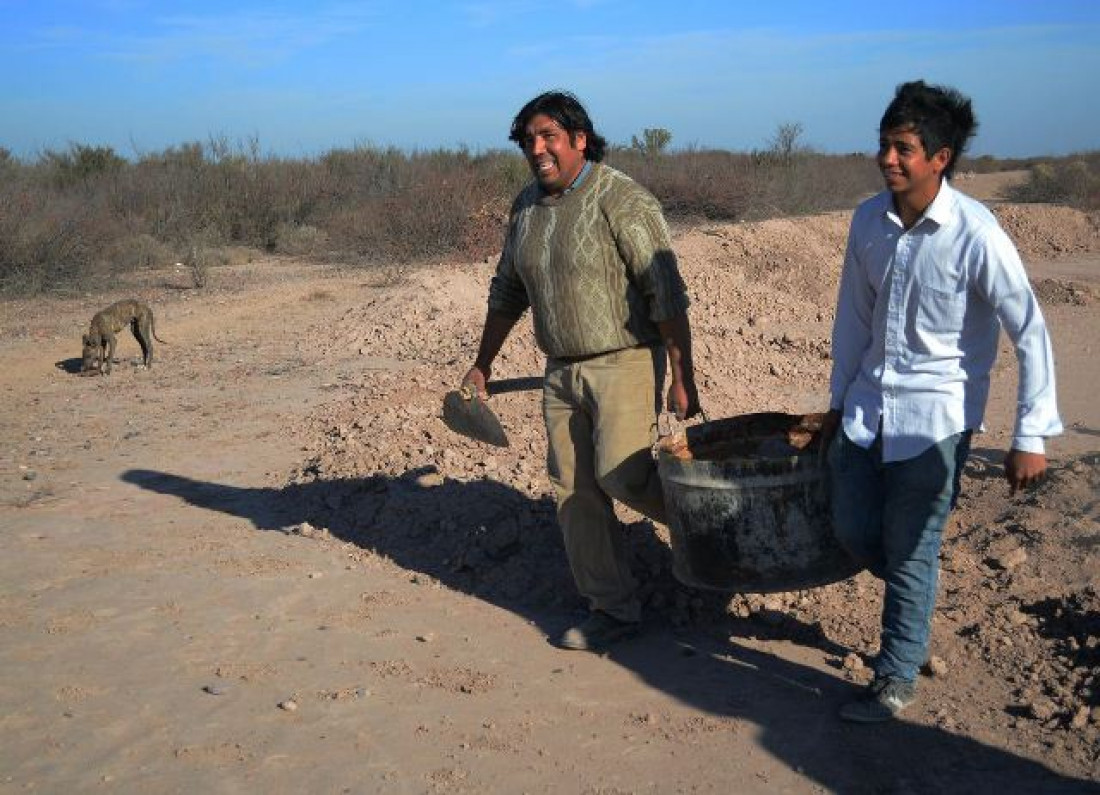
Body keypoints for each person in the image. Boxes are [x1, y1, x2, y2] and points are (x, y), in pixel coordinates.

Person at [823, 80, 1063, 722]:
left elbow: (1030, 331)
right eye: (884, 146)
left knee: (910, 548)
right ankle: (914, 598)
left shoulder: (976, 234)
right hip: (866, 410)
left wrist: (1030, 435)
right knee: (850, 529)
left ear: (940, 157)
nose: (888, 159)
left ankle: (896, 675)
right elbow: (854, 318)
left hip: (938, 424)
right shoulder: (867, 220)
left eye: (903, 148)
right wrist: (837, 400)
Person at [462, 90, 700, 652]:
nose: (536, 148)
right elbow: (507, 291)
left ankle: (716, 535)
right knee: (574, 494)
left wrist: (682, 373)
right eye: (528, 139)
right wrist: (482, 364)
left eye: (548, 136)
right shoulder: (525, 208)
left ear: (579, 140)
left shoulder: (621, 199)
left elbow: (664, 292)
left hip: (624, 361)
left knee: (623, 474)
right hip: (560, 373)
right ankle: (612, 608)